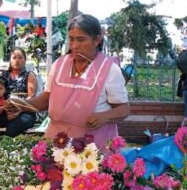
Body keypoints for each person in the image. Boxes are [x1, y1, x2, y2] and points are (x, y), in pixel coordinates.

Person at [24, 14, 129, 150]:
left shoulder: (110, 69)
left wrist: (104, 117)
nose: (74, 46)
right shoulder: (59, 65)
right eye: (71, 39)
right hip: (57, 142)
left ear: (97, 40)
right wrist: (21, 105)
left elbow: (124, 109)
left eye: (80, 40)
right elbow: (46, 99)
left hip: (93, 147)